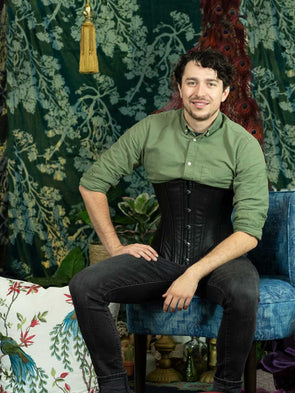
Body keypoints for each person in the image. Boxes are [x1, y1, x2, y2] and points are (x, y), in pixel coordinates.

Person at [69, 49, 269, 393]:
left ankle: (227, 387)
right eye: (191, 82)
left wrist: (193, 273)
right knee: (85, 286)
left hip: (221, 261)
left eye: (211, 84)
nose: (199, 92)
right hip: (163, 258)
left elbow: (249, 232)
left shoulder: (243, 144)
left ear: (224, 92)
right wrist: (116, 248)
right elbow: (92, 183)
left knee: (243, 290)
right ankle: (114, 386)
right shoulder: (151, 129)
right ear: (179, 86)